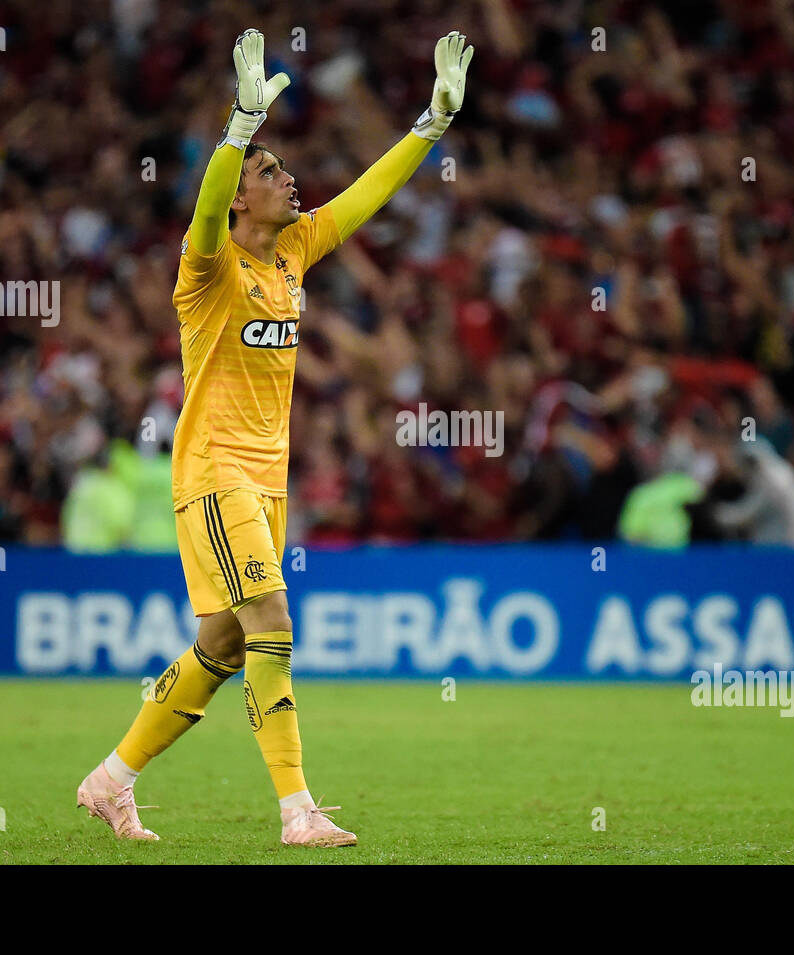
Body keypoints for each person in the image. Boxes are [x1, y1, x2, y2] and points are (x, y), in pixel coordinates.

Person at [77, 28, 474, 847]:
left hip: (268, 480)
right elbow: (202, 205)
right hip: (215, 471)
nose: (287, 179)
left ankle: (110, 780)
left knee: (221, 645)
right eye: (269, 172)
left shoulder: (294, 248)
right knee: (271, 622)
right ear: (237, 200)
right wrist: (237, 130)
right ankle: (298, 811)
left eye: (283, 168)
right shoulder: (208, 267)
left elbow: (364, 197)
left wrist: (429, 128)